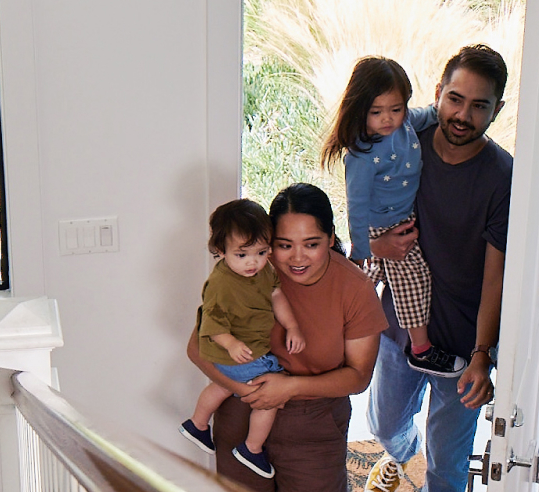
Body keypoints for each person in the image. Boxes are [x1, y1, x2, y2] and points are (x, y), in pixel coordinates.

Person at [364, 44, 513, 492]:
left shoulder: (504, 177)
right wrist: (375, 241)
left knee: (446, 468)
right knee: (385, 427)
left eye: (479, 105)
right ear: (438, 94)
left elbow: (496, 276)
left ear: (497, 110)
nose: (463, 114)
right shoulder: (408, 133)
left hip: (463, 346)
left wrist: (483, 356)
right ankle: (399, 457)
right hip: (400, 327)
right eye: (455, 99)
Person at [186, 183, 390, 491]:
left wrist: (289, 387)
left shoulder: (355, 289)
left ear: (331, 238)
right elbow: (197, 348)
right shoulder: (247, 268)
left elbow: (359, 377)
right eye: (283, 245)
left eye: (312, 244)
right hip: (242, 410)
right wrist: (246, 390)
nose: (298, 258)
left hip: (313, 425)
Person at [320, 56, 466, 378]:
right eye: (376, 112)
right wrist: (362, 250)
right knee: (412, 279)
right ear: (361, 110)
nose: (388, 119)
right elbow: (356, 205)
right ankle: (421, 350)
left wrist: (446, 110)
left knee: (361, 289)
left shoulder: (406, 124)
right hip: (383, 224)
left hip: (403, 216)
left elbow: (427, 113)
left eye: (395, 109)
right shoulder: (361, 153)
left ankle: (331, 339)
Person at [180, 198, 306, 478]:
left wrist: (293, 326)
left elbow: (276, 295)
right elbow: (210, 323)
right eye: (242, 255)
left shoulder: (264, 271)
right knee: (268, 394)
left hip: (238, 352)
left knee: (223, 386)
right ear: (220, 250)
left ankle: (198, 424)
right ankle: (252, 447)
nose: (253, 262)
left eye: (261, 252)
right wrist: (231, 343)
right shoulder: (222, 284)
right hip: (233, 351)